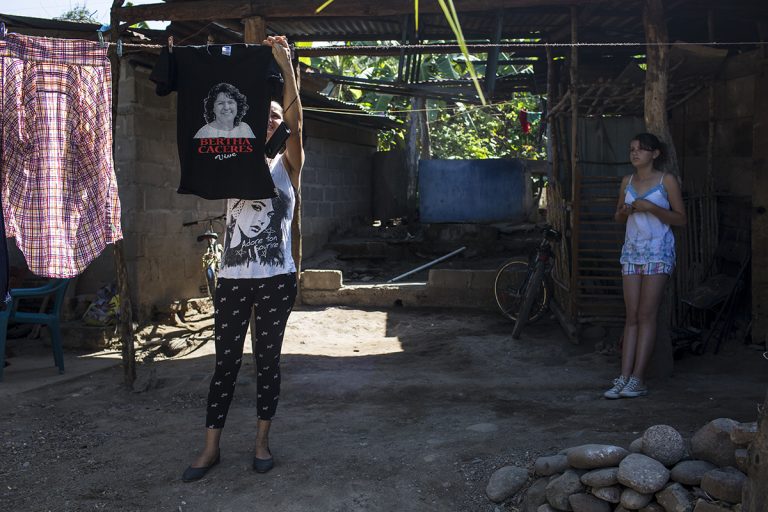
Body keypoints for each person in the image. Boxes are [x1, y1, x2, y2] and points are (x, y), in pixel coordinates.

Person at [182, 34, 304, 482]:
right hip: (233, 278)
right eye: (265, 116)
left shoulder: (288, 166)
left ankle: (261, 443)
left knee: (267, 361)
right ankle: (210, 448)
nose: (271, 122)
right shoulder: (233, 158)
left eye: (276, 117)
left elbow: (296, 123)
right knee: (225, 363)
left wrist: (285, 68)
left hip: (275, 279)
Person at [603, 133, 686, 399]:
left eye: (641, 149)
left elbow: (681, 219)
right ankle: (623, 377)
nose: (635, 153)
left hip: (658, 251)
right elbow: (618, 217)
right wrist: (624, 212)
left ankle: (638, 379)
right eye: (632, 149)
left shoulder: (666, 180)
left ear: (655, 154)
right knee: (632, 316)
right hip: (632, 251)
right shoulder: (627, 181)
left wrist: (651, 207)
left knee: (647, 315)